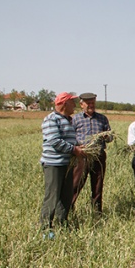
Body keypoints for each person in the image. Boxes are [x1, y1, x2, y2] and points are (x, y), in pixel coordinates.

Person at [40, 92, 84, 238]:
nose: (75, 105)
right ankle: (46, 229)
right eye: (72, 102)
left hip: (67, 164)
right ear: (64, 104)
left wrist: (79, 146)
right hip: (54, 164)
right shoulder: (51, 120)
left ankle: (62, 224)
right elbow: (54, 141)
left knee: (66, 196)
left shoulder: (67, 120)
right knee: (52, 196)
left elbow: (69, 140)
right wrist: (74, 149)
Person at [71, 92, 112, 212]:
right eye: (88, 103)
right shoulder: (75, 119)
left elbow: (110, 137)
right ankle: (69, 210)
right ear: (81, 104)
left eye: (93, 103)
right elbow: (70, 137)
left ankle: (96, 212)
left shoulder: (102, 118)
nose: (91, 105)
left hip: (98, 156)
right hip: (81, 156)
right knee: (76, 184)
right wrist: (78, 146)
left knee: (97, 186)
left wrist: (106, 137)